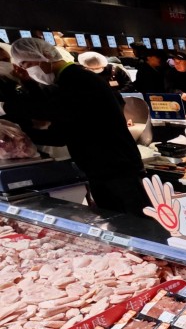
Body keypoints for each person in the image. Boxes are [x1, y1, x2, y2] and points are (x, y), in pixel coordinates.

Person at [9, 38, 149, 214]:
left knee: (137, 224)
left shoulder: (78, 80)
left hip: (117, 169)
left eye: (26, 64)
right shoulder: (68, 81)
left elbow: (58, 126)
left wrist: (11, 114)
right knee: (118, 223)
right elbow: (60, 123)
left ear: (43, 55)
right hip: (102, 168)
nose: (26, 70)